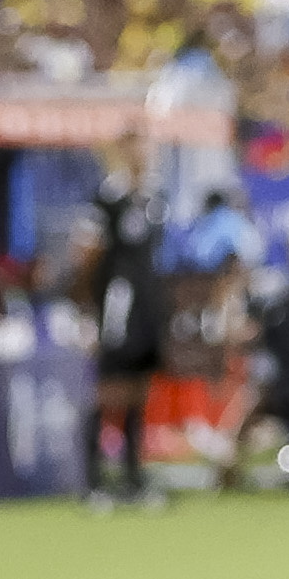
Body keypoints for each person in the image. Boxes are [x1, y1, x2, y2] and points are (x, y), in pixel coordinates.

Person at [74, 161, 170, 503]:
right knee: (109, 394)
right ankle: (92, 482)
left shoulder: (155, 197)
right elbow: (87, 256)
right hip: (118, 304)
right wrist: (88, 311)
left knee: (138, 395)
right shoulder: (106, 199)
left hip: (146, 305)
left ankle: (133, 479)